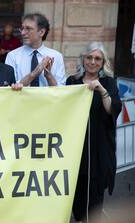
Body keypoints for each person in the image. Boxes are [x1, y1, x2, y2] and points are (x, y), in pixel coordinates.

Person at [66, 42, 122, 222]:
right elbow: (62, 103)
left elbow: (112, 109)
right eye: (89, 57)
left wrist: (102, 90)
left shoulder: (109, 82)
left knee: (95, 192)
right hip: (76, 146)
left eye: (97, 58)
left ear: (103, 62)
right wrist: (50, 77)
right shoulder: (72, 81)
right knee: (77, 190)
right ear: (83, 59)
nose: (92, 62)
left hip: (99, 147)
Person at [5, 12, 66, 86]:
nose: (23, 33)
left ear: (41, 32)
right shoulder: (13, 56)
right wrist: (34, 73)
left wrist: (48, 76)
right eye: (22, 28)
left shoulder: (56, 56)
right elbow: (10, 87)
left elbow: (61, 91)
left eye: (28, 29)